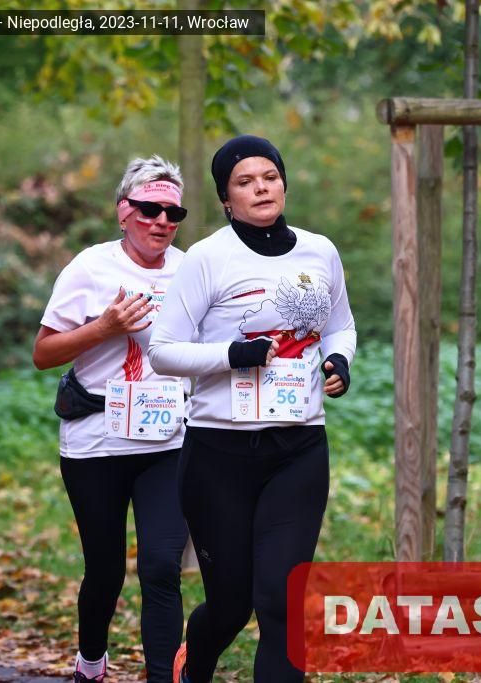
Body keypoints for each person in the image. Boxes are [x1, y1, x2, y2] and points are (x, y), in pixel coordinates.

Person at [147, 135, 357, 683]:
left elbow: (341, 325)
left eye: (270, 177)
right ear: (226, 198)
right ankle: (194, 662)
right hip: (219, 453)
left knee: (282, 601)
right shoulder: (207, 258)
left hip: (298, 447)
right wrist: (231, 355)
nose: (261, 188)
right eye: (245, 181)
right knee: (231, 605)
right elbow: (163, 351)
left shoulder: (320, 251)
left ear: (284, 184)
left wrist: (339, 359)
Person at [33, 156, 191, 683]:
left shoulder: (191, 269)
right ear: (124, 211)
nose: (161, 221)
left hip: (167, 441)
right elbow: (43, 353)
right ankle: (91, 662)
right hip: (96, 441)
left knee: (162, 567)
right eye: (149, 209)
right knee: (104, 570)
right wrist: (103, 328)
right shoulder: (90, 268)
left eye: (173, 213)